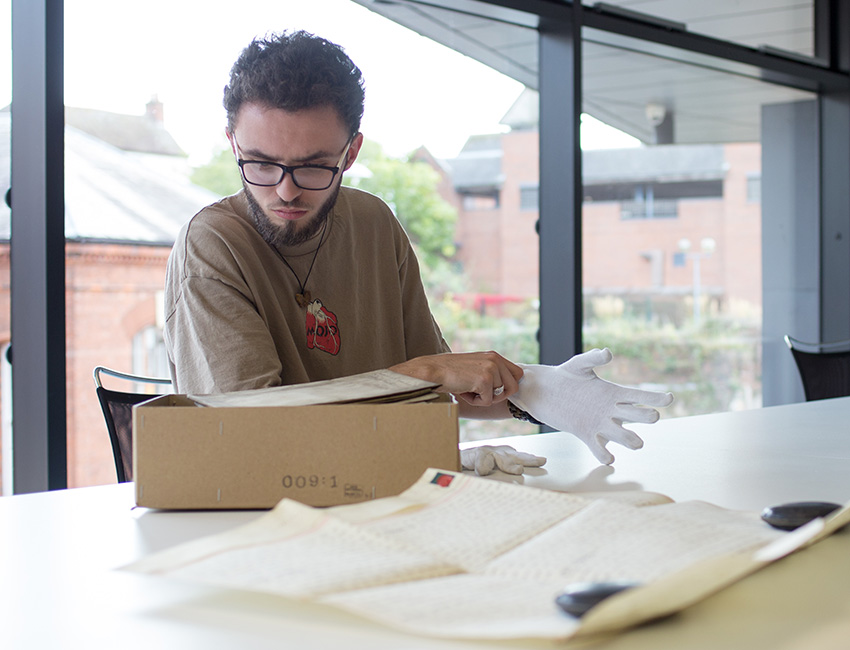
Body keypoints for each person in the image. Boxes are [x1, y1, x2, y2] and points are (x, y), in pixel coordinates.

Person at [164, 30, 673, 474]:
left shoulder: (373, 223)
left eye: (315, 166)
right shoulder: (212, 246)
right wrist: (429, 372)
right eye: (261, 163)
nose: (286, 190)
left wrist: (533, 393)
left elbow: (431, 387)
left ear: (352, 152)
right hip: (269, 520)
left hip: (387, 489)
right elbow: (253, 432)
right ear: (233, 143)